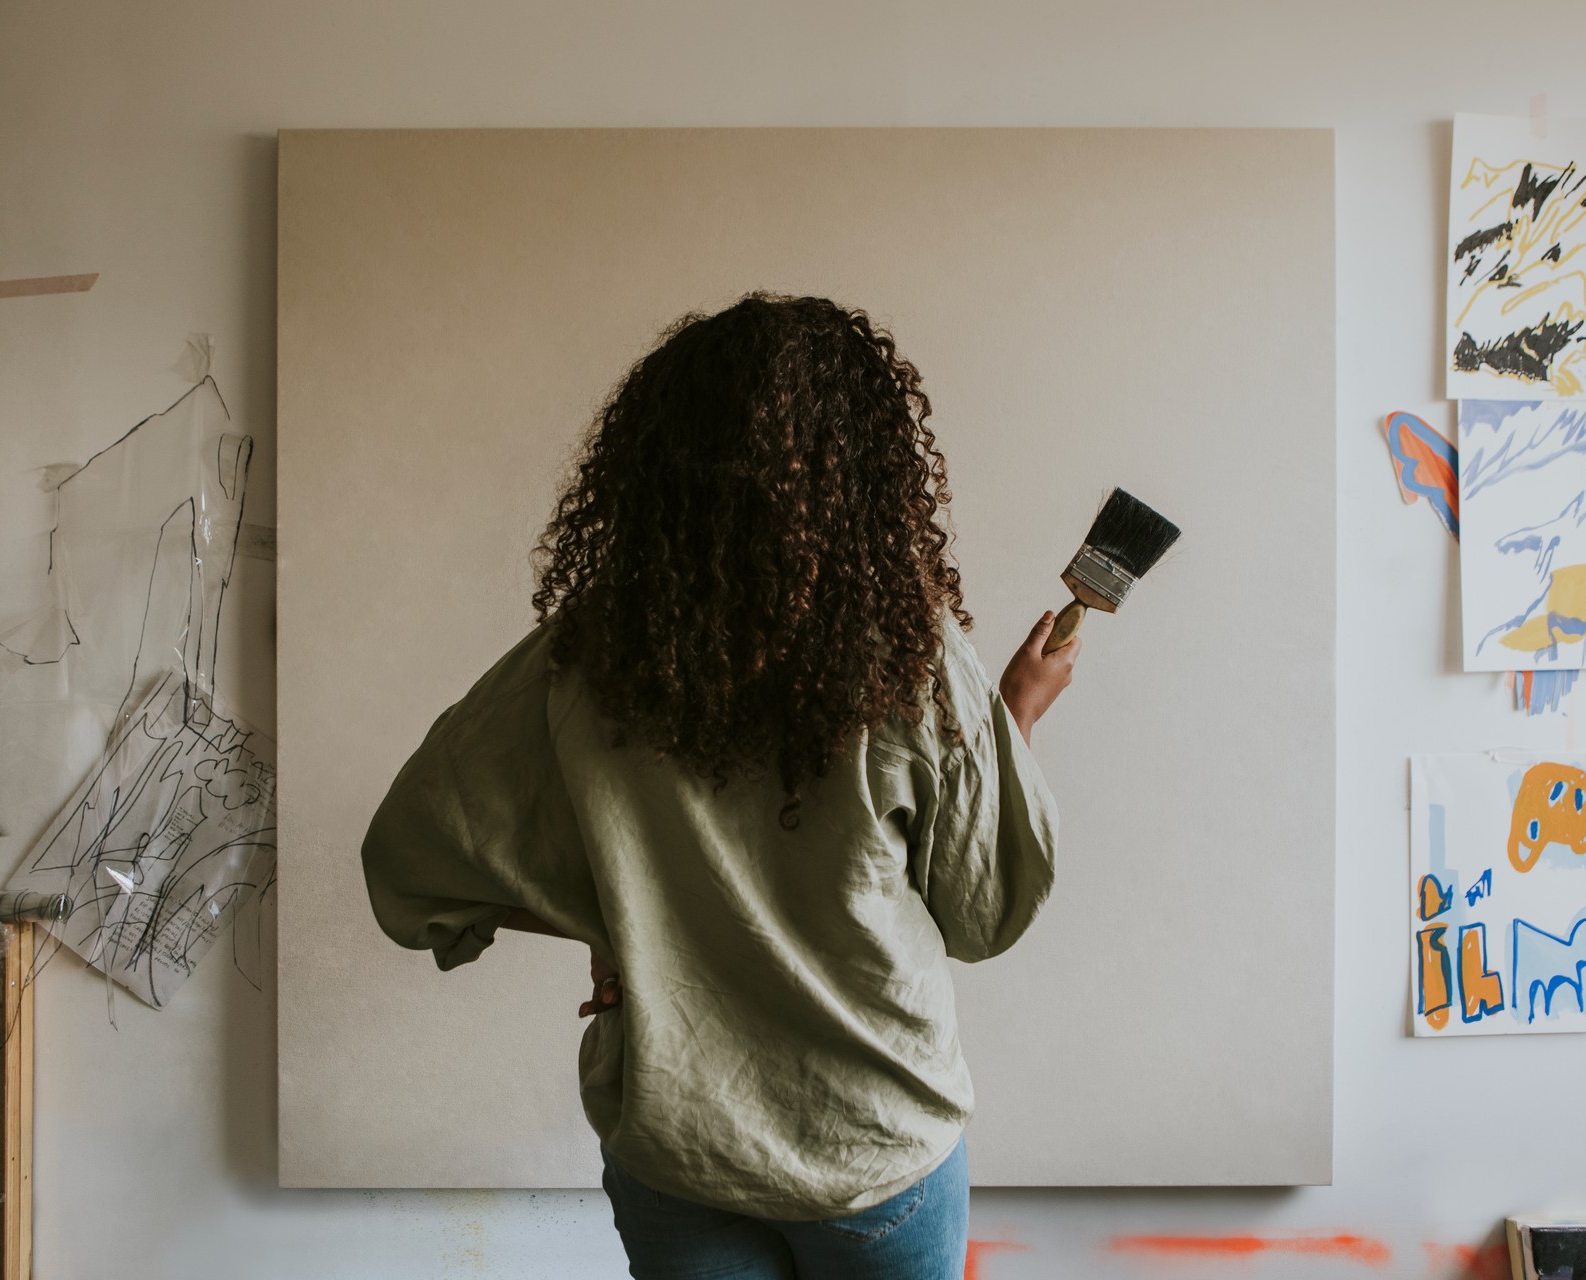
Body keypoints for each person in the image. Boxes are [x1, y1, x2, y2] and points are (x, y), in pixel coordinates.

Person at [362, 293, 1074, 1280]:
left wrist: (615, 925)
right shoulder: (914, 658)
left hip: (678, 1143)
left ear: (654, 466)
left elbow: (410, 859)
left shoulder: (579, 661)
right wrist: (1018, 716)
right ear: (868, 469)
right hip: (874, 1140)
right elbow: (984, 913)